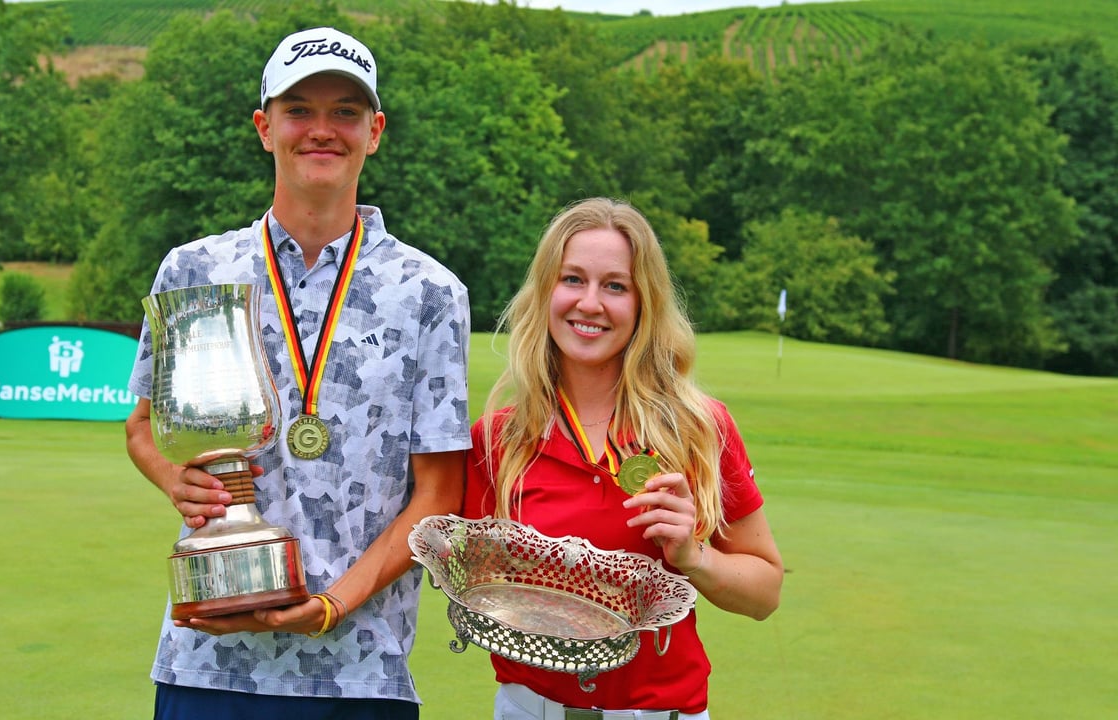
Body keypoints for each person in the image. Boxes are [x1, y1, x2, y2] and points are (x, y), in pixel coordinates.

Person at [124, 26, 471, 720]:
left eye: (344, 111)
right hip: (210, 663)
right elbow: (140, 428)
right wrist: (178, 480)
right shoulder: (194, 269)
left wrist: (332, 604)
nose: (322, 129)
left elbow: (439, 492)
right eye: (299, 110)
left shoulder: (431, 291)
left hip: (361, 668)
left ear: (374, 131)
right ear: (264, 127)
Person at [462, 198, 783, 720]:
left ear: (643, 302)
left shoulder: (699, 428)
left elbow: (764, 594)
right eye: (572, 279)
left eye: (615, 285)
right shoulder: (498, 441)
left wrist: (694, 556)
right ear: (545, 292)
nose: (590, 303)